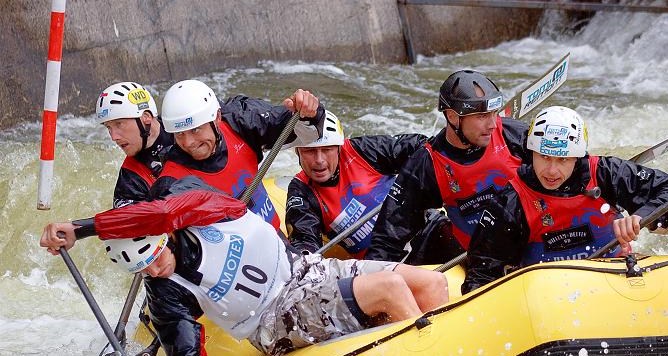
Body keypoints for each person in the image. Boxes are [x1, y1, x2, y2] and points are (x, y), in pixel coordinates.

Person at [39, 180, 449, 356]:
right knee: (391, 288)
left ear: (167, 234)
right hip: (275, 319)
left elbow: (160, 210)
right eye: (139, 267)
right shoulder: (167, 295)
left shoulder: (204, 208)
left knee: (434, 284)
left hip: (308, 268)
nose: (152, 267)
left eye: (153, 254)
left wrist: (82, 228)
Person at [462, 106, 668, 294]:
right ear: (531, 152)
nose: (551, 171)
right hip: (548, 294)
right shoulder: (510, 201)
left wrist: (643, 217)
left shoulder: (606, 173)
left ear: (577, 157)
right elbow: (482, 274)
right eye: (544, 157)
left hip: (615, 280)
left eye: (563, 160)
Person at [366, 70, 531, 262]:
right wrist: (372, 279)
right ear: (453, 117)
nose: (493, 124)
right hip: (478, 262)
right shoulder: (428, 163)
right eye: (482, 116)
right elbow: (390, 236)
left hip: (529, 248)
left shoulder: (515, 136)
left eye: (494, 113)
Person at [150, 79, 325, 232]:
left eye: (195, 130)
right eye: (180, 134)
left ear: (217, 118)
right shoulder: (171, 185)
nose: (188, 142)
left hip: (277, 239)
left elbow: (304, 133)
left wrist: (309, 113)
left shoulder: (239, 120)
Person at [286, 110, 432, 258]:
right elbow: (304, 239)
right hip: (382, 261)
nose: (319, 160)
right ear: (298, 152)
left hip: (425, 229)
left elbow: (419, 146)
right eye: (309, 151)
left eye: (327, 149)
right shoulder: (300, 191)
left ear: (338, 148)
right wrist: (304, 255)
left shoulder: (360, 150)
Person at [96, 82, 173, 208]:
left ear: (146, 117)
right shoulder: (129, 181)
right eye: (108, 127)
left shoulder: (184, 131)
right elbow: (123, 220)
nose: (113, 137)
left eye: (119, 124)